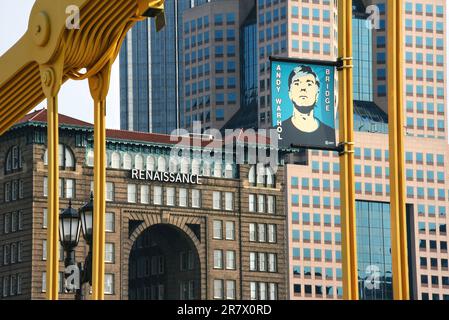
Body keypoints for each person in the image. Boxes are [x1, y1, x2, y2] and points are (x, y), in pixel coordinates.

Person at [279, 65, 335, 148]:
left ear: (317, 94)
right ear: (290, 93)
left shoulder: (329, 134)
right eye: (297, 83)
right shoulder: (277, 132)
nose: (303, 88)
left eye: (309, 84)